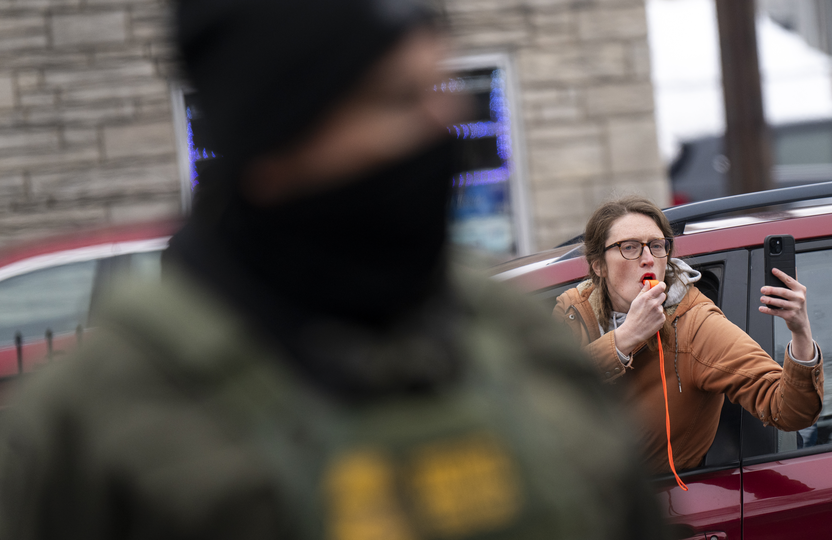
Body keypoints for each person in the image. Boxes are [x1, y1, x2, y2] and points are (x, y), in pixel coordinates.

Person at [0, 1, 669, 539]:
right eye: (398, 99)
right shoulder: (92, 430)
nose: (446, 126)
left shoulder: (514, 337)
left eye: (440, 88)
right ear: (276, 140)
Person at [554, 196, 823, 478]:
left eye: (657, 246)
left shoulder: (696, 326)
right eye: (629, 247)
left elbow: (791, 410)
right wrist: (623, 339)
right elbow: (543, 399)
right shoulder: (575, 307)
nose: (647, 259)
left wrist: (800, 331)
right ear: (599, 266)